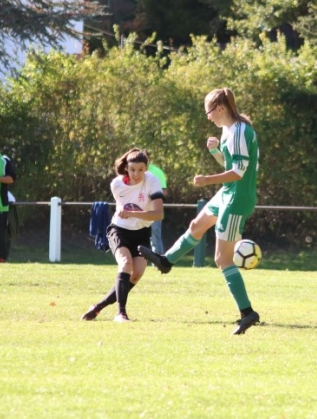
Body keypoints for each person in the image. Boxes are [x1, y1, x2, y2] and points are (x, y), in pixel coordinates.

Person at [140, 87, 261, 336]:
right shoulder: (228, 130)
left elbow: (238, 174)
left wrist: (207, 180)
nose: (208, 117)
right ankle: (166, 261)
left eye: (209, 111)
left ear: (221, 108)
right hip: (228, 192)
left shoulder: (239, 131)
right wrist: (216, 152)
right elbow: (232, 166)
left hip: (237, 198)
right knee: (197, 225)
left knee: (222, 260)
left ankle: (247, 313)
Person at [82, 148, 164, 322]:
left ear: (146, 168)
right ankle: (121, 313)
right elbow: (124, 212)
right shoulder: (117, 184)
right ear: (127, 167)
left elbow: (158, 214)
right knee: (125, 264)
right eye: (133, 169)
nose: (137, 174)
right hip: (119, 230)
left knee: (137, 274)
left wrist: (134, 214)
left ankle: (98, 306)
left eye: (141, 169)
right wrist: (132, 213)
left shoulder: (152, 181)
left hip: (142, 233)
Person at [146, 161, 169, 254]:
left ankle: (157, 261)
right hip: (137, 209)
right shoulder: (133, 170)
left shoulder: (156, 172)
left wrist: (148, 196)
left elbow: (164, 191)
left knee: (155, 236)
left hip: (153, 209)